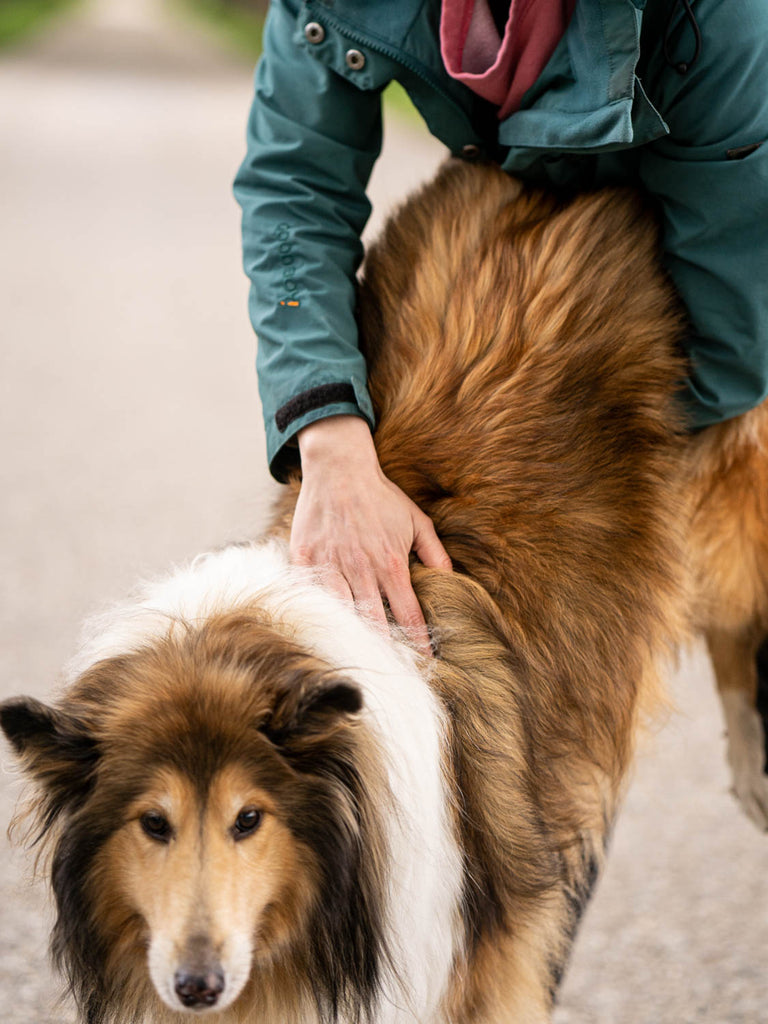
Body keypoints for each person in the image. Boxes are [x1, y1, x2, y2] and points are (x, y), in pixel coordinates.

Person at [234, 0, 768, 650]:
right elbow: (296, 185)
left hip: (715, 249)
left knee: (738, 552)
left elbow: (732, 332)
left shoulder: (725, 18)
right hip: (523, 209)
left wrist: (578, 477)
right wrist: (329, 441)